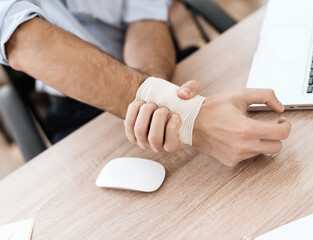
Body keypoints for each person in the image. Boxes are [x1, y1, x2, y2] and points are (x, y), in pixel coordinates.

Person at [1, 0, 292, 167]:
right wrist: (191, 118)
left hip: (159, 74)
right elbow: (25, 42)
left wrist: (161, 99)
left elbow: (144, 16)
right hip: (80, 106)